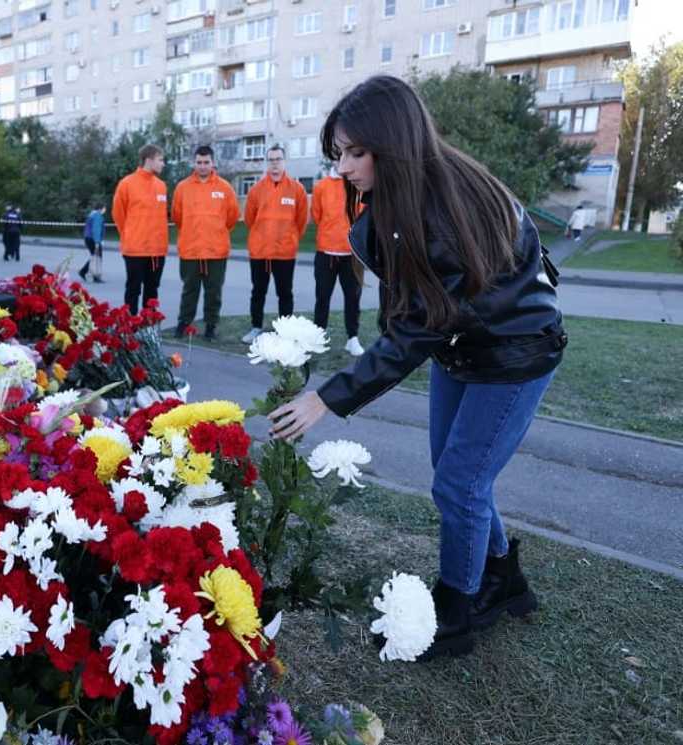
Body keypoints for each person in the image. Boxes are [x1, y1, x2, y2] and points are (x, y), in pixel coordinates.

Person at [269, 75, 567, 661]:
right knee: (460, 477)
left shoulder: (446, 206)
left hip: (513, 354)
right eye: (339, 155)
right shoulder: (401, 196)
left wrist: (326, 398)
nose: (344, 168)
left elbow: (418, 326)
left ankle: (456, 614)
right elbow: (414, 311)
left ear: (394, 142)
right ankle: (503, 578)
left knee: (459, 483)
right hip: (461, 348)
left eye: (356, 153)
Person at [242, 144, 309, 344]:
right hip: (260, 252)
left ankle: (285, 332)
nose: (274, 164)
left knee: (285, 293)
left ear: (284, 161)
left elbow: (301, 220)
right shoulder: (256, 190)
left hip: (284, 252)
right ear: (267, 163)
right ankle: (256, 327)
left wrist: (290, 238)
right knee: (258, 292)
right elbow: (249, 219)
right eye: (270, 160)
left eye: (278, 159)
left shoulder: (297, 189)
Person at [172, 145, 239, 340]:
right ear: (194, 163)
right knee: (189, 290)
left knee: (214, 292)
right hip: (190, 250)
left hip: (215, 251)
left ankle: (211, 326)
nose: (202, 166)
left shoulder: (224, 188)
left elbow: (232, 217)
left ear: (213, 163)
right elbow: (177, 216)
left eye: (206, 162)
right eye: (199, 162)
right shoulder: (182, 187)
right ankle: (183, 323)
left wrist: (216, 232)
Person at [312, 166, 365, 356]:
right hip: (326, 252)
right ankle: (319, 335)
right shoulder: (321, 186)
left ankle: (352, 338)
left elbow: (363, 215)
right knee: (322, 296)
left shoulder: (358, 184)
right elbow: (317, 215)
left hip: (352, 254)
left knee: (353, 298)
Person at [112, 144, 169, 314]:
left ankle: (148, 329)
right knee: (133, 290)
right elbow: (118, 214)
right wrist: (130, 234)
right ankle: (130, 329)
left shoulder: (161, 186)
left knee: (152, 291)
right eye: (160, 160)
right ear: (149, 160)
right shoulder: (127, 184)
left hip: (157, 251)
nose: (163, 164)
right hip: (135, 250)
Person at [79, 203, 106, 283]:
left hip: (88, 238)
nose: (105, 210)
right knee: (97, 257)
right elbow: (96, 229)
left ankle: (83, 271)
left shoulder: (92, 215)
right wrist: (97, 242)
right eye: (104, 208)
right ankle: (95, 276)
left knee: (94, 256)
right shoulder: (97, 215)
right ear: (100, 209)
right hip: (93, 239)